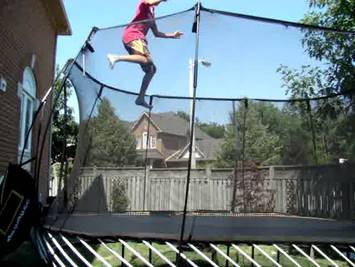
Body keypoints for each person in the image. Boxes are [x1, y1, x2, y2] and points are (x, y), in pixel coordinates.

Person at [107, 0, 183, 109]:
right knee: (148, 60)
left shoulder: (152, 15)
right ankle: (116, 57)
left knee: (151, 69)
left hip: (138, 39)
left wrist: (172, 35)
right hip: (133, 36)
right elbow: (149, 2)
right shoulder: (143, 4)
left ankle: (140, 98)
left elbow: (156, 33)